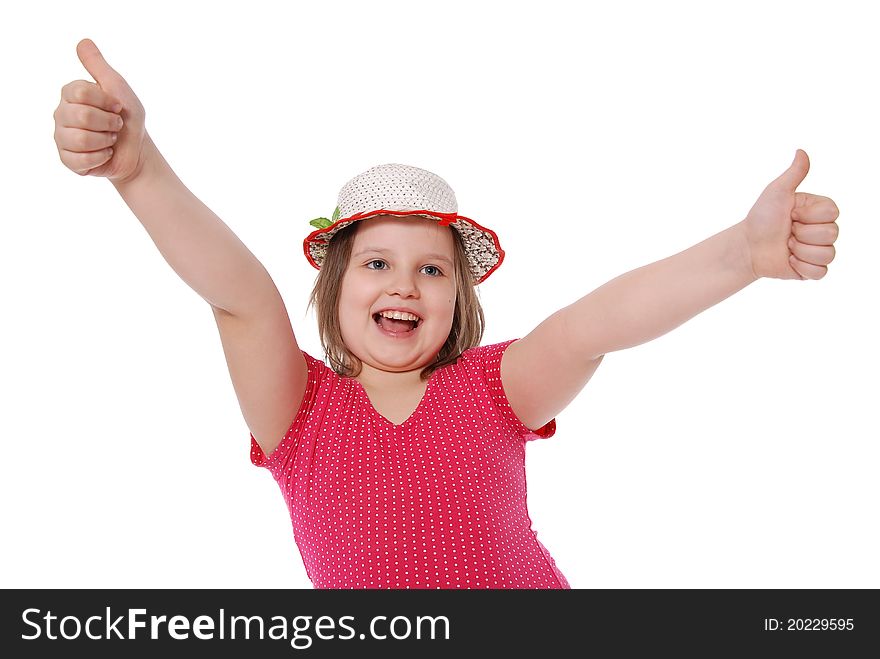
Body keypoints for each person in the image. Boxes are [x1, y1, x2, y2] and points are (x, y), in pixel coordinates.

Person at [53, 39, 840, 589]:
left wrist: (742, 254)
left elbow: (594, 324)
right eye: (377, 263)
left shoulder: (494, 385)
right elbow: (241, 295)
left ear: (460, 298)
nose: (406, 285)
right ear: (334, 284)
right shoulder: (300, 411)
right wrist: (141, 171)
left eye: (432, 269)